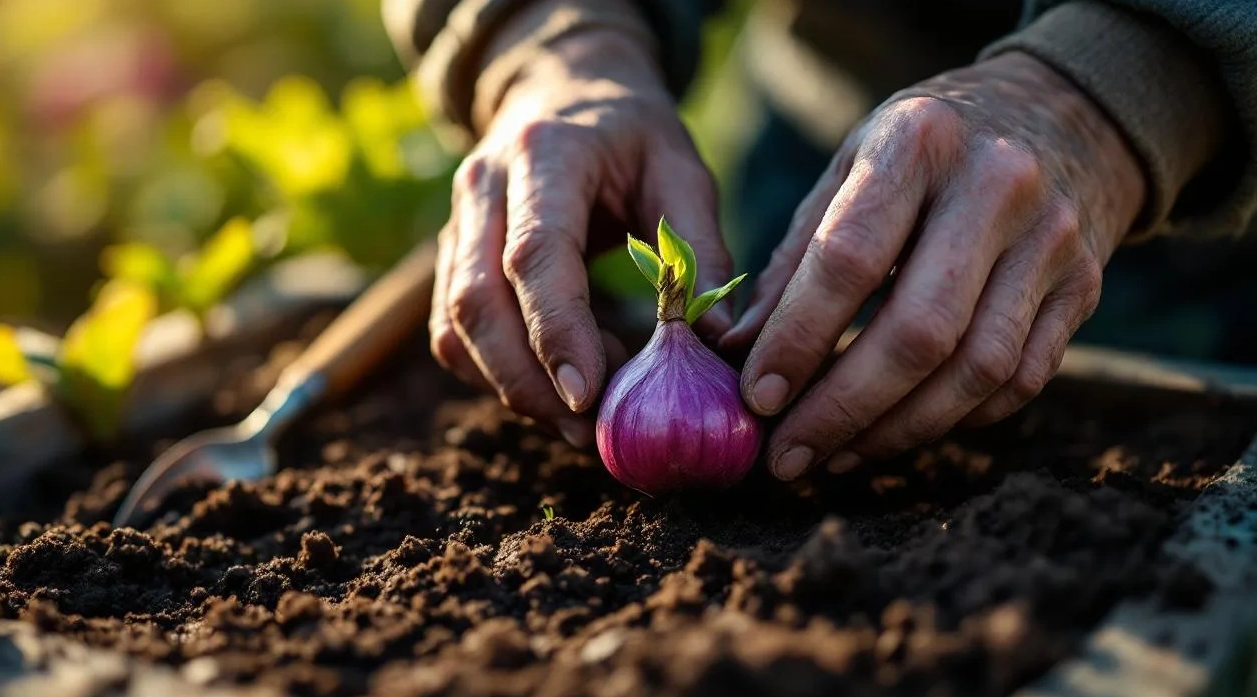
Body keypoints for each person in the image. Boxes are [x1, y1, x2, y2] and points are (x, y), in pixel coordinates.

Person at [381, 0, 1257, 480]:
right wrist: (555, 38)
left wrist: (1126, 82)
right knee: (790, 365)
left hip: (1221, 204)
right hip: (824, 142)